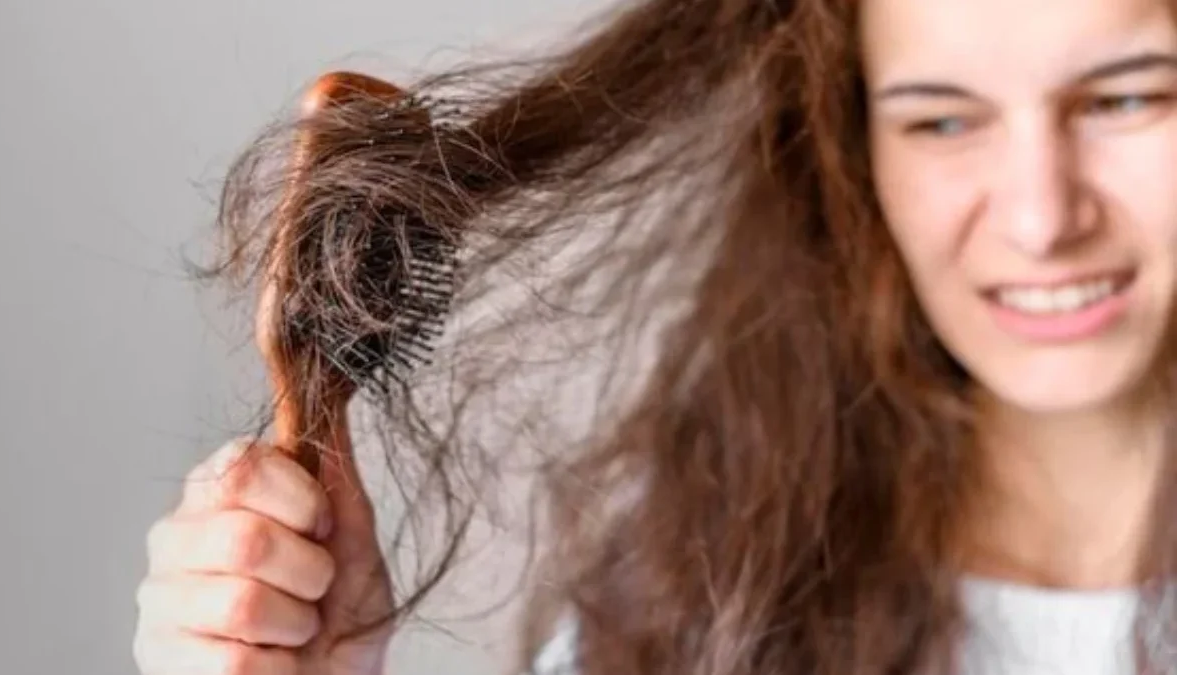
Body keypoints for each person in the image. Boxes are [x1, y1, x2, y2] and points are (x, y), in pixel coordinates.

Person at [133, 0, 1177, 672]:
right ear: (853, 152)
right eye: (940, 120)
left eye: (1127, 99)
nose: (1043, 219)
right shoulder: (700, 600)